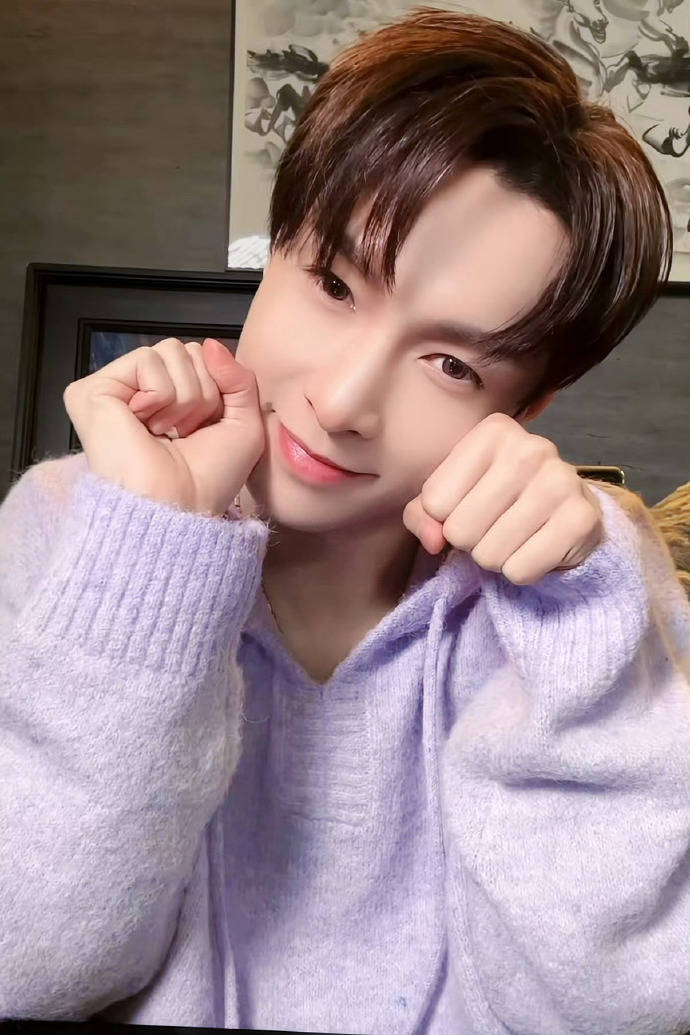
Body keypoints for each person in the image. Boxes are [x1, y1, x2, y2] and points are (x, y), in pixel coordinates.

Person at [1, 8, 689, 1035]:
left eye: (451, 364)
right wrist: (148, 557)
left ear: (527, 406)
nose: (342, 400)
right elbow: (25, 967)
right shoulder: (63, 529)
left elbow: (615, 1009)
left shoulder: (582, 594)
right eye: (332, 284)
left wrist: (582, 621)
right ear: (273, 251)